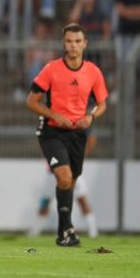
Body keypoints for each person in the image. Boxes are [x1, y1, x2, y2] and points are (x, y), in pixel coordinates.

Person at [26, 23, 108, 247]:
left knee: (70, 181)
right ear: (64, 43)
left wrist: (91, 117)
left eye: (78, 41)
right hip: (51, 131)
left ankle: (64, 232)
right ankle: (66, 231)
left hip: (77, 133)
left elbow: (102, 104)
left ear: (85, 44)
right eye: (69, 41)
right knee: (63, 177)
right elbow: (31, 102)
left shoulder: (93, 72)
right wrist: (54, 114)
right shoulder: (51, 69)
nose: (73, 46)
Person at [28, 128, 99, 239]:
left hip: (72, 169)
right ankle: (34, 232)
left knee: (82, 200)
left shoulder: (77, 122)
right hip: (52, 173)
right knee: (45, 201)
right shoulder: (51, 123)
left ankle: (93, 232)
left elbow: (91, 139)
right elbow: (41, 136)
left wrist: (80, 156)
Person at [69, 0, 110, 65]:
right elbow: (71, 23)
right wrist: (79, 3)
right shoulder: (79, 12)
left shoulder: (100, 14)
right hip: (81, 53)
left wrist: (100, 44)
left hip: (97, 54)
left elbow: (107, 32)